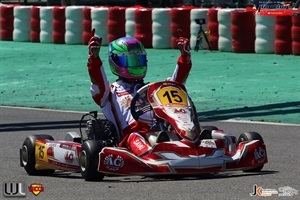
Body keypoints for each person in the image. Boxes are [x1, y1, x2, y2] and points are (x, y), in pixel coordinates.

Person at [86, 29, 192, 156]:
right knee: (135, 137)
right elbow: (98, 82)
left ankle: (192, 150)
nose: (135, 65)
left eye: (139, 60)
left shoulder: (152, 89)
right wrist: (94, 58)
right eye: (130, 61)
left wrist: (184, 57)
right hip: (130, 140)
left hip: (159, 133)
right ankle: (151, 157)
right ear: (116, 62)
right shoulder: (110, 92)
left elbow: (176, 85)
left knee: (184, 131)